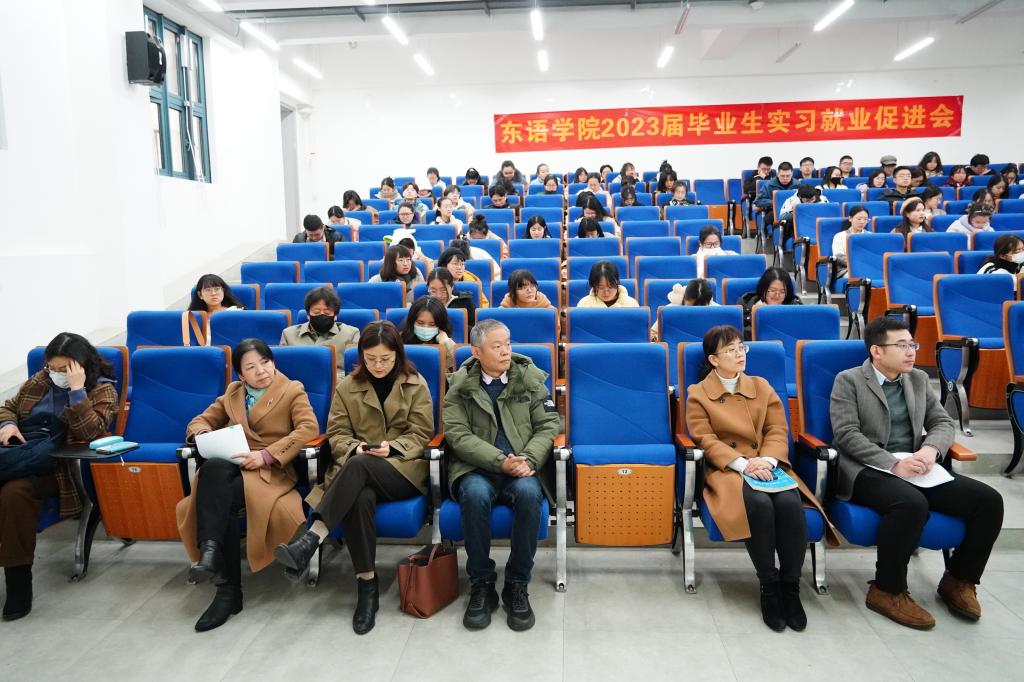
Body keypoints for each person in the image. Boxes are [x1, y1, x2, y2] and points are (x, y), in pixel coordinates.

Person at [829, 317, 1003, 629]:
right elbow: (846, 435)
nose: (911, 351)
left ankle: (959, 579)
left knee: (988, 501)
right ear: (877, 351)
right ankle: (887, 589)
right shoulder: (849, 380)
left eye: (913, 344)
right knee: (910, 503)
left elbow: (942, 422)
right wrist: (892, 463)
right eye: (902, 345)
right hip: (866, 468)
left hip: (915, 464)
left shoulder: (918, 379)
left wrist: (930, 450)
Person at [275, 322, 433, 634]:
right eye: (371, 359)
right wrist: (355, 447)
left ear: (398, 356)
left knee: (360, 465)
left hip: (402, 470)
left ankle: (312, 538)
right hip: (357, 473)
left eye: (385, 359)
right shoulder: (347, 387)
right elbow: (336, 433)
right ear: (361, 356)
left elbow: (422, 432)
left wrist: (392, 448)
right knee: (360, 497)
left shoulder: (415, 383)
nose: (378, 365)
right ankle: (366, 585)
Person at [687, 325, 836, 631]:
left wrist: (766, 460)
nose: (739, 354)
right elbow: (705, 439)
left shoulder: (761, 386)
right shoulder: (698, 394)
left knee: (790, 503)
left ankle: (790, 587)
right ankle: (769, 585)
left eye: (741, 347)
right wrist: (744, 465)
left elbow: (777, 430)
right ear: (714, 359)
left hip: (768, 463)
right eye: (730, 350)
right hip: (729, 470)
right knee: (758, 504)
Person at [177, 339, 318, 632]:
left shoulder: (292, 389)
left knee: (219, 495)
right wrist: (203, 434)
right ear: (241, 374)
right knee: (213, 468)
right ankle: (214, 558)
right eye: (251, 367)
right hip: (234, 464)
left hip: (269, 469)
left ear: (273, 362)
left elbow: (308, 429)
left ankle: (224, 585)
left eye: (265, 362)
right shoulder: (233, 393)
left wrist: (266, 455)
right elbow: (199, 421)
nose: (261, 371)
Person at [444, 319, 559, 631]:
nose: (506, 351)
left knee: (529, 494)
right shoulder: (459, 387)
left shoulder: (529, 378)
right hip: (475, 468)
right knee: (475, 494)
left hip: (522, 465)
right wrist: (499, 461)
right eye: (497, 346)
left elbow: (549, 424)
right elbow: (458, 435)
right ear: (476, 352)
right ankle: (481, 583)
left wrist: (528, 459)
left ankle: (517, 583)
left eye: (508, 344)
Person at [0, 332, 118, 621]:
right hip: (19, 452)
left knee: (14, 494)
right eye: (51, 367)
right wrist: (7, 425)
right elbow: (8, 406)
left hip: (57, 467)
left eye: (64, 369)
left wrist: (77, 392)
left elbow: (89, 432)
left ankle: (18, 584)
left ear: (81, 366)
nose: (55, 374)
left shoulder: (102, 390)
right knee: (11, 487)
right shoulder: (40, 381)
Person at [279, 286, 359, 380]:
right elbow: (282, 369)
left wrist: (329, 379)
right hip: (299, 383)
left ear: (335, 315)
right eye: (316, 312)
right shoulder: (288, 334)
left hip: (337, 384)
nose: (322, 315)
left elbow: (354, 369)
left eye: (327, 312)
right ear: (308, 315)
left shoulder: (351, 334)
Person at [400, 296, 456, 369]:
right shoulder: (399, 341)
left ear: (441, 324)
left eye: (432, 324)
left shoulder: (445, 342)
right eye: (420, 323)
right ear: (412, 321)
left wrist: (446, 342)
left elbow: (458, 365)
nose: (426, 328)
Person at [753, 161, 796, 226]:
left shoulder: (797, 185)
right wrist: (775, 202)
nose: (785, 178)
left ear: (792, 174)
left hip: (792, 211)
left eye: (788, 176)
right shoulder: (769, 185)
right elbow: (758, 201)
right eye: (782, 176)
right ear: (778, 174)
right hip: (774, 211)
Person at [831, 205, 870, 276]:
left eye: (865, 219)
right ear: (850, 219)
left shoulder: (871, 236)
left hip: (868, 268)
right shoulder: (840, 236)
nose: (862, 222)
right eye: (859, 219)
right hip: (846, 269)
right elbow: (839, 257)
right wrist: (859, 264)